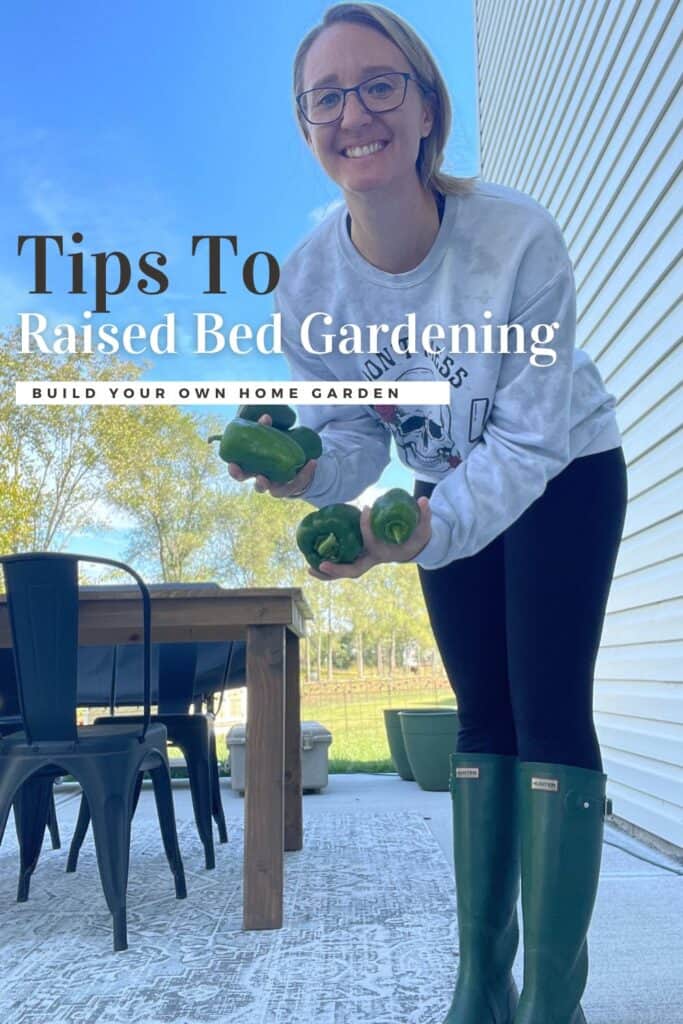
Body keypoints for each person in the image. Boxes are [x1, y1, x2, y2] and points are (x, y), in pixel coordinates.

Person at [228, 4, 628, 1022]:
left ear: (422, 108)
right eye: (327, 95)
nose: (352, 112)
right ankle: (477, 986)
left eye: (378, 85)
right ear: (305, 124)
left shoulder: (514, 238)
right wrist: (310, 478)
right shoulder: (310, 280)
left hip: (562, 472)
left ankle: (550, 1002)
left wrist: (418, 527)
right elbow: (354, 437)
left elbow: (531, 440)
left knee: (544, 710)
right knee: (479, 720)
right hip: (440, 482)